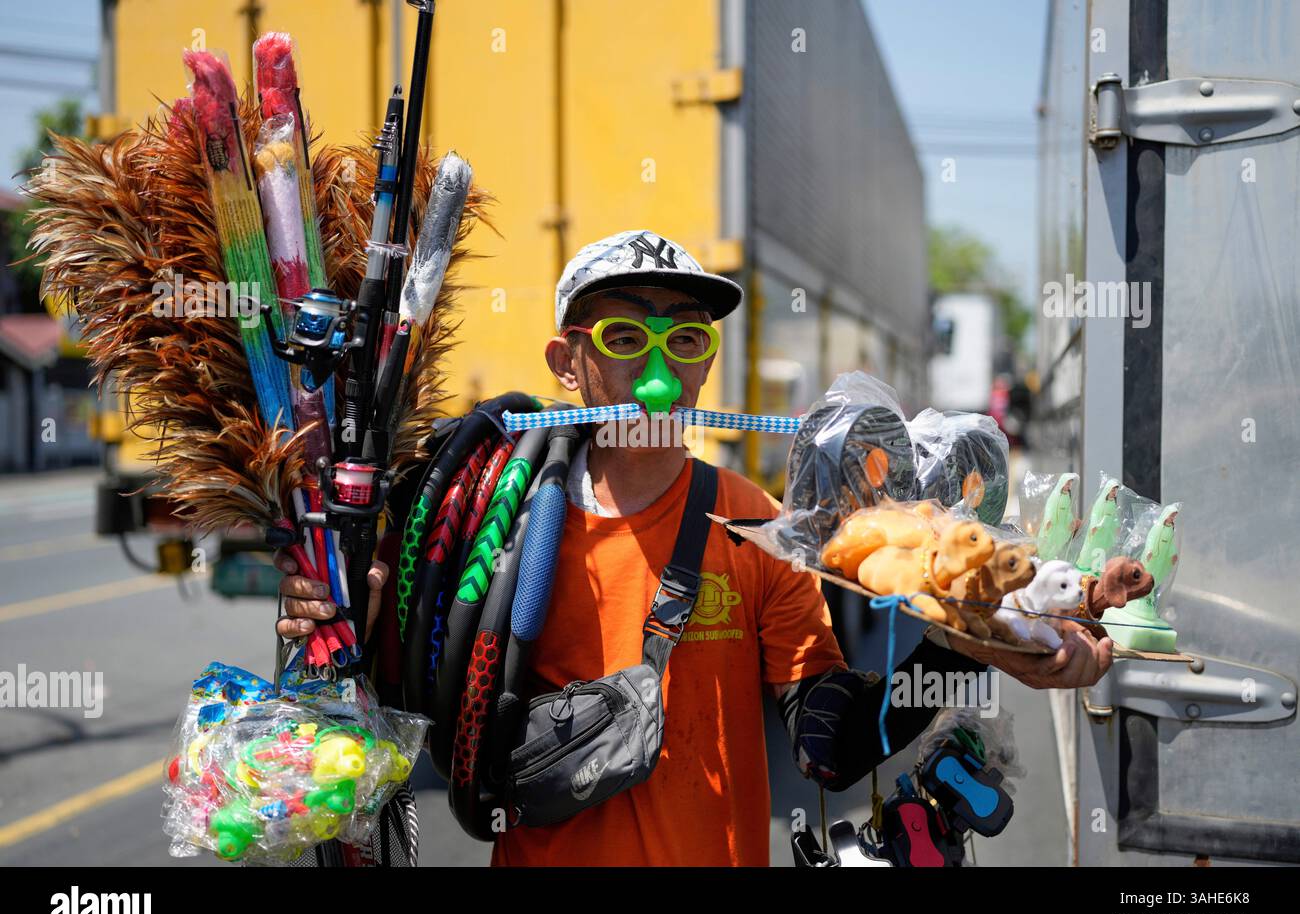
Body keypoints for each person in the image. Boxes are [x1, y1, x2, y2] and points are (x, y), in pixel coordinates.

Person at [275, 229, 1113, 866]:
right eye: (624, 339)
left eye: (685, 340)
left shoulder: (754, 524)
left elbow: (829, 745)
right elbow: (398, 713)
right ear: (567, 363)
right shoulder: (497, 525)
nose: (659, 374)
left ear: (708, 365)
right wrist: (341, 619)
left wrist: (967, 643)